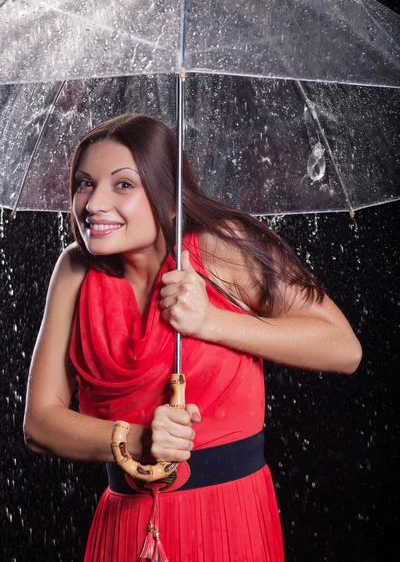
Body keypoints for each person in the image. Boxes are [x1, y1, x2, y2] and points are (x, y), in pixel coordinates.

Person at [23, 114, 362, 562]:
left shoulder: (223, 247)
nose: (92, 203)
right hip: (125, 525)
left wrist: (211, 322)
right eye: (85, 184)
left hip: (228, 520)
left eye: (122, 185)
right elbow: (39, 424)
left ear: (168, 198)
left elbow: (344, 349)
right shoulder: (74, 269)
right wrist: (136, 440)